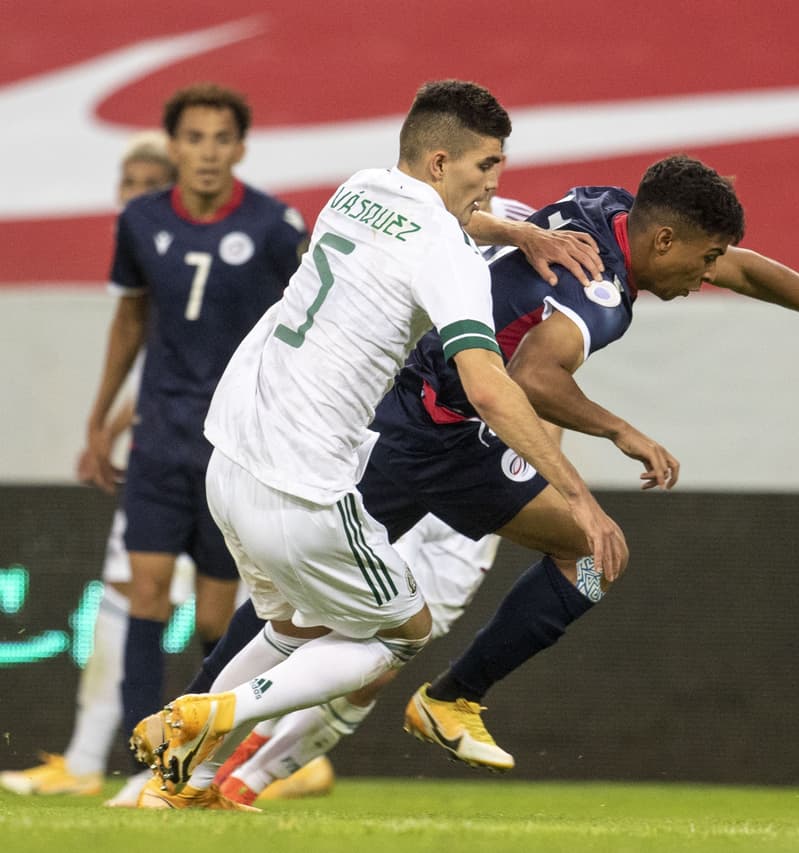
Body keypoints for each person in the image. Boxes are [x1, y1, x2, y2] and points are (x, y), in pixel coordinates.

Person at [200, 154, 799, 805]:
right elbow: (534, 374)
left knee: (586, 558)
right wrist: (621, 431)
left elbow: (746, 270)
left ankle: (437, 700)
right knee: (312, 607)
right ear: (665, 243)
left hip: (456, 434)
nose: (706, 277)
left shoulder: (609, 208)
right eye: (704, 260)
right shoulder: (599, 296)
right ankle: (204, 746)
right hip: (428, 433)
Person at [127, 79, 626, 811]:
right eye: (484, 167)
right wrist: (578, 495)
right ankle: (213, 715)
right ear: (437, 161)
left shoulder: (357, 190)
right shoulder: (446, 254)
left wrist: (517, 231)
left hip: (229, 456)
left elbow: (447, 229)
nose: (495, 185)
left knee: (299, 624)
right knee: (401, 631)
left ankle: (182, 781)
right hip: (303, 480)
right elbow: (488, 386)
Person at [79, 85, 311, 775]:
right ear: (172, 145)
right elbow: (130, 319)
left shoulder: (275, 227)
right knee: (145, 590)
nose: (207, 153)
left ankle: (198, 745)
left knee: (217, 618)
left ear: (240, 148)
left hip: (235, 447)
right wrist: (99, 420)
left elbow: (302, 329)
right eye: (194, 138)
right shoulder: (140, 220)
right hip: (160, 440)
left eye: (220, 139)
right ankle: (142, 754)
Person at [0, 132, 188, 801]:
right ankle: (89, 760)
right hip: (163, 456)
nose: (131, 195)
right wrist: (111, 426)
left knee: (222, 610)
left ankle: (259, 756)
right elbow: (160, 364)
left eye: (146, 183)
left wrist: (111, 425)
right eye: (126, 180)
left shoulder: (183, 261)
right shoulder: (149, 261)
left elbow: (184, 365)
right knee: (128, 598)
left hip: (201, 462)